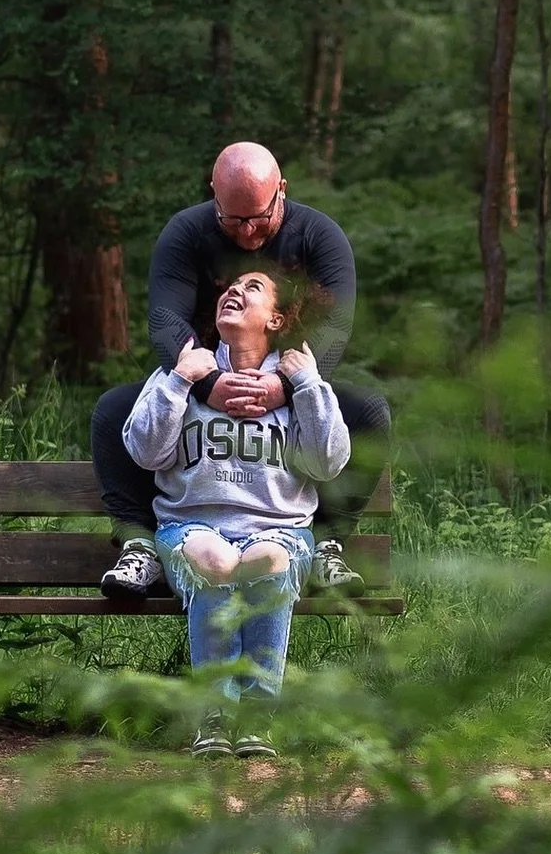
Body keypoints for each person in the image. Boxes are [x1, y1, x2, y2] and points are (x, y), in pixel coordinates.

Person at [90, 141, 389, 599]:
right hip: (202, 374)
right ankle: (140, 545)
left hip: (292, 379)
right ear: (214, 194)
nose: (248, 233)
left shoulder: (319, 235)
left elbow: (336, 327)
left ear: (281, 191)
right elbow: (165, 320)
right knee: (113, 412)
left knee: (368, 412)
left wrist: (283, 387)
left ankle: (327, 545)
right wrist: (207, 384)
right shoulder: (186, 232)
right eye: (233, 219)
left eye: (259, 218)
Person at [123, 267, 349, 759]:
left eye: (252, 288)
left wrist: (307, 383)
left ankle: (256, 718)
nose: (233, 291)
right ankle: (214, 715)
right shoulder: (183, 373)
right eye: (230, 286)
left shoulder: (294, 383)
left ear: (277, 318)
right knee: (214, 560)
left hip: (280, 530)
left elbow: (329, 463)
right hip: (192, 526)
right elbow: (143, 450)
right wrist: (182, 378)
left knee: (268, 559)